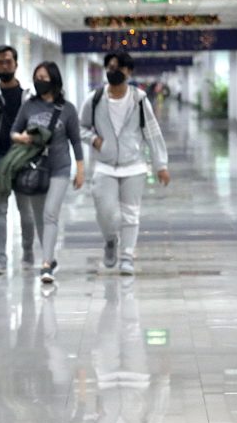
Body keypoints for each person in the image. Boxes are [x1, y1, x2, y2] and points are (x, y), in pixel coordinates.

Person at [79, 51, 170, 275]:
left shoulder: (139, 99)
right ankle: (110, 240)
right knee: (106, 212)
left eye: (118, 68)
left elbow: (152, 132)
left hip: (134, 165)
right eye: (109, 67)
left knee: (131, 214)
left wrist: (161, 165)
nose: (113, 71)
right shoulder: (95, 98)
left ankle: (127, 255)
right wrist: (95, 140)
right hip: (105, 166)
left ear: (129, 72)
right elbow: (80, 127)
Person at [10, 61, 85, 284]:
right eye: (37, 77)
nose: (39, 82)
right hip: (35, 168)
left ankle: (46, 264)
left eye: (43, 77)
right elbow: (13, 131)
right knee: (40, 216)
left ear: (54, 80)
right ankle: (49, 257)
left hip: (60, 168)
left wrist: (80, 169)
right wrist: (22, 138)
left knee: (51, 214)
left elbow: (76, 140)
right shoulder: (29, 106)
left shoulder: (67, 109)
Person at [0, 45, 36, 274]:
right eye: (0, 62)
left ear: (16, 64)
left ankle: (27, 252)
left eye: (8, 61)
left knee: (26, 211)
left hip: (24, 160)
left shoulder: (29, 94)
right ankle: (0, 259)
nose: (5, 66)